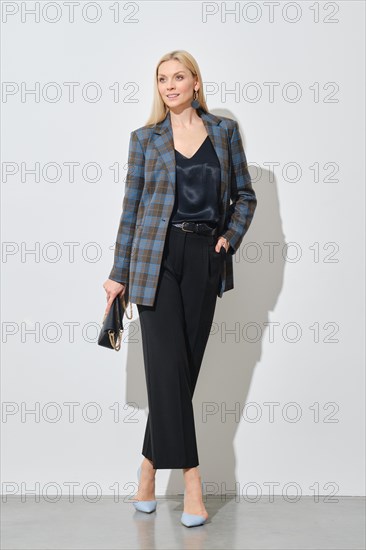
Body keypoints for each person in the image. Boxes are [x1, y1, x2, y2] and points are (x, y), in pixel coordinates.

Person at [103, 50, 257, 527]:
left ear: (195, 81)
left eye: (178, 77)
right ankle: (192, 479)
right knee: (166, 367)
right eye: (162, 79)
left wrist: (229, 238)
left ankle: (147, 470)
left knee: (180, 373)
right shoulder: (144, 140)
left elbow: (245, 195)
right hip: (156, 260)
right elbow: (131, 210)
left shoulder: (224, 132)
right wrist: (117, 273)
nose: (170, 85)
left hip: (206, 258)